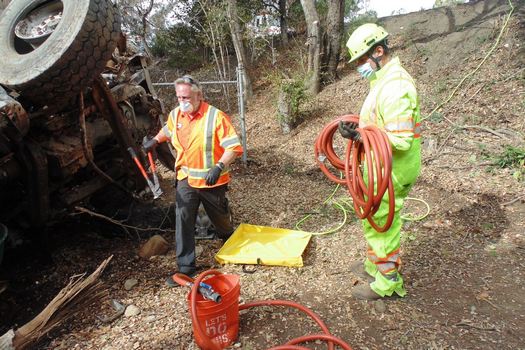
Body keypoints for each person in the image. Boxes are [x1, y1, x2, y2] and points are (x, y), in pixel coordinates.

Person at [338, 23, 421, 300]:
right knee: (372, 219)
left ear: (379, 51)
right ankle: (375, 265)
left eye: (362, 60)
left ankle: (388, 283)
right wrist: (360, 129)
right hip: (379, 167)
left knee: (384, 225)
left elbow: (401, 140)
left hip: (393, 171)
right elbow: (377, 123)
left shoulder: (395, 86)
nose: (359, 66)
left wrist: (361, 137)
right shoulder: (381, 80)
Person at [143, 75, 243, 283]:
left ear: (199, 95)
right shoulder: (176, 115)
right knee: (183, 218)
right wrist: (154, 140)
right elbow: (168, 130)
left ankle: (228, 237)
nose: (183, 101)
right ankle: (186, 267)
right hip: (186, 178)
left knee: (220, 218)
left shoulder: (215, 117)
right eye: (179, 97)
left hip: (211, 181)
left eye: (186, 97)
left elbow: (233, 147)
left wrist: (219, 166)